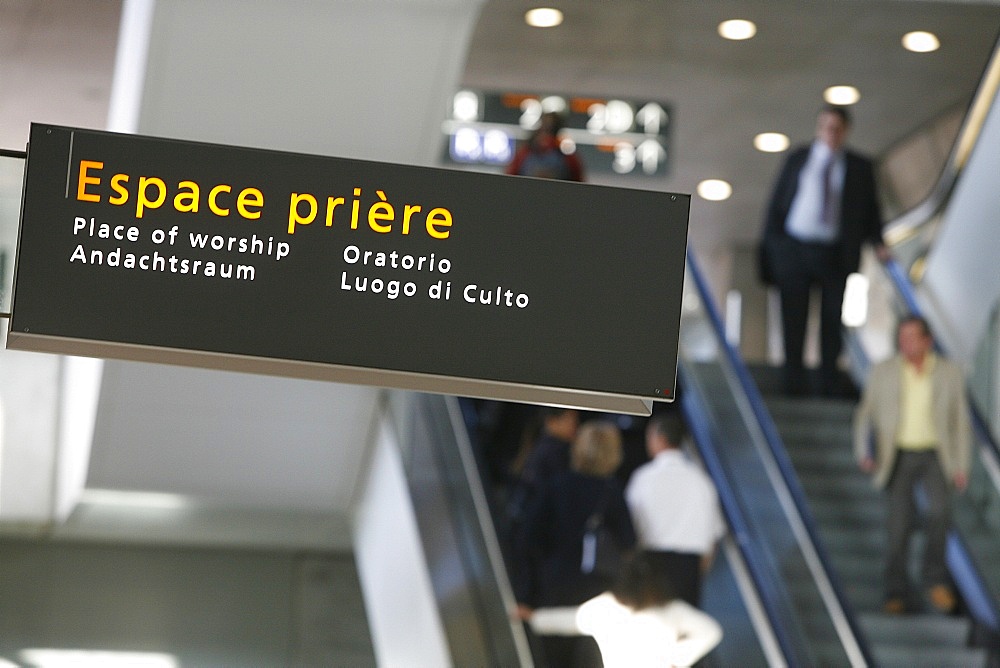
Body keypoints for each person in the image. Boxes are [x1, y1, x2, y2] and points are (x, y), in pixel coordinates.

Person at [759, 104, 887, 396]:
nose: (830, 133)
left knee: (832, 320)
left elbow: (871, 211)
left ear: (845, 131)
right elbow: (777, 204)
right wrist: (772, 249)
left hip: (835, 253)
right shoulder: (798, 159)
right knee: (794, 319)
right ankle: (793, 384)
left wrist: (878, 242)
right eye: (825, 126)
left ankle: (828, 383)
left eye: (836, 128)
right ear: (819, 128)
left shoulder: (859, 167)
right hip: (795, 250)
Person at [853, 314, 971, 614]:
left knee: (940, 513)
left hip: (935, 455)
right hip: (898, 455)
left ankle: (934, 579)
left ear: (927, 340)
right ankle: (895, 591)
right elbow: (864, 416)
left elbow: (960, 423)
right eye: (901, 337)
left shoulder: (949, 373)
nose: (905, 343)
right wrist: (863, 451)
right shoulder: (883, 371)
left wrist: (961, 465)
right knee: (898, 526)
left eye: (911, 337)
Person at [518, 420, 636, 667]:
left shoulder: (557, 485)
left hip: (554, 582)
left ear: (579, 449)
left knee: (551, 655)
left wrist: (528, 589)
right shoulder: (612, 493)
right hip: (597, 588)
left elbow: (528, 536)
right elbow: (628, 541)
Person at [521, 551, 723, 668]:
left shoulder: (608, 606)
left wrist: (534, 617)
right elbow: (711, 631)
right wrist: (676, 659)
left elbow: (570, 620)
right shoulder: (671, 610)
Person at [625, 411, 725, 606]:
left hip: (650, 565)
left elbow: (629, 527)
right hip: (688, 569)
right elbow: (714, 537)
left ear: (659, 439)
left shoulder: (644, 478)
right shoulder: (701, 481)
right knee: (685, 632)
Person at [506, 111, 585, 181]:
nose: (546, 136)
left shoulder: (567, 156)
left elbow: (578, 183)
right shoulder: (524, 153)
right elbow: (510, 177)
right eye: (544, 128)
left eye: (550, 130)